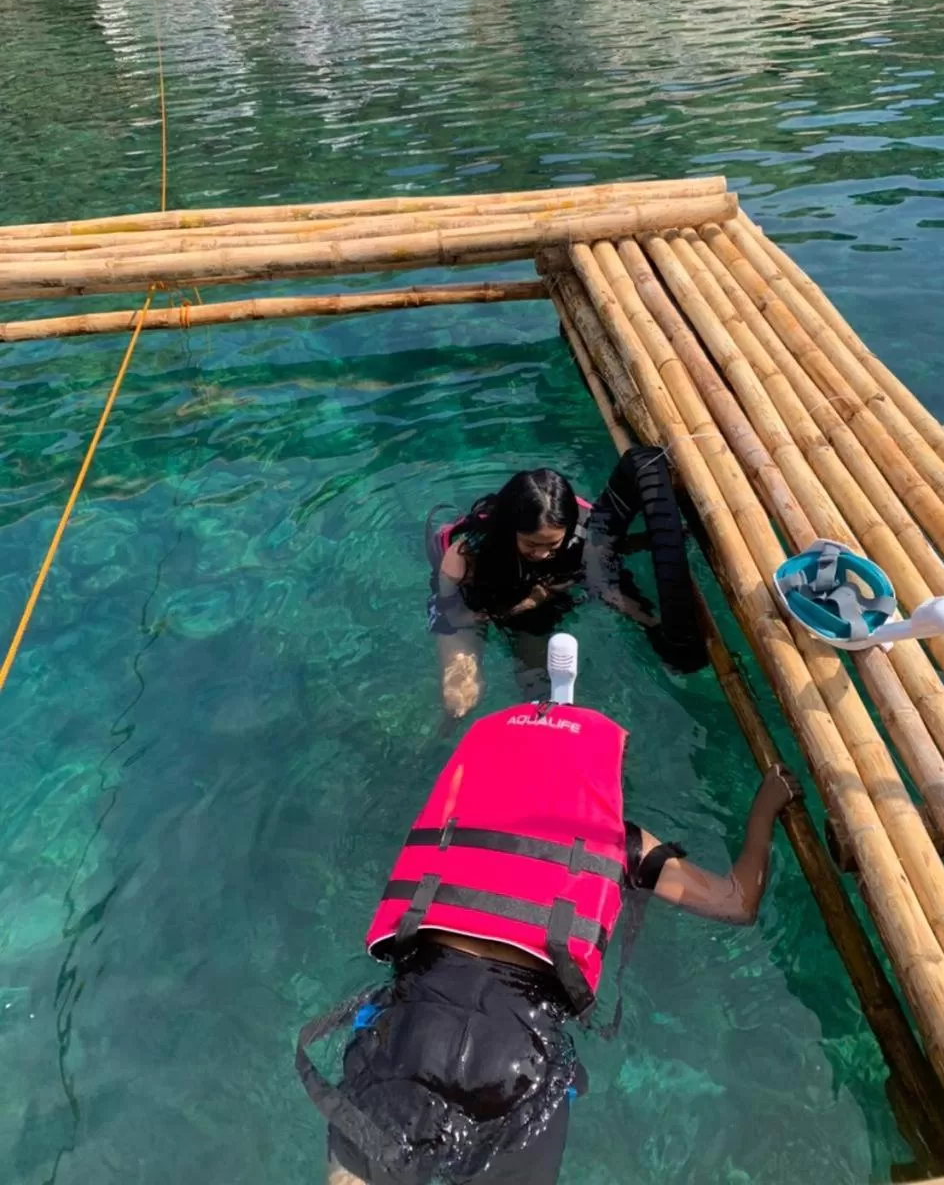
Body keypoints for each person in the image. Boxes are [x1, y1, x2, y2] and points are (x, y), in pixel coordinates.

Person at [296, 636, 801, 1185]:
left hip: (414, 1024)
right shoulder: (620, 841)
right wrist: (764, 810)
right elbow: (738, 902)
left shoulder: (460, 820)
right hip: (517, 1053)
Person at [427, 450, 706, 719]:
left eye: (551, 544)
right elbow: (455, 617)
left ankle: (542, 732)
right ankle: (442, 738)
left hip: (536, 600)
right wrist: (531, 601)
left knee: (539, 685)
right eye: (531, 544)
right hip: (478, 599)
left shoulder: (579, 531)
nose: (542, 553)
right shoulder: (467, 555)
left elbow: (604, 564)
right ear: (510, 528)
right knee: (460, 700)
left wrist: (654, 625)